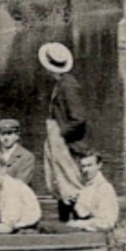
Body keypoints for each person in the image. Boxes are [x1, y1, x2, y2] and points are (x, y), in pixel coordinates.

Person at [38, 41, 88, 221]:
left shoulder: (68, 86)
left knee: (70, 184)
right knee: (59, 184)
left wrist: (60, 134)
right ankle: (65, 222)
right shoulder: (61, 84)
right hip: (57, 140)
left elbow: (79, 118)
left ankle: (78, 223)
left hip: (65, 143)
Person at [58, 148, 119, 232]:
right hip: (80, 230)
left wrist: (77, 224)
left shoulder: (104, 189)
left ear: (99, 165)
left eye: (89, 165)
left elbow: (108, 223)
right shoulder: (84, 186)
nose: (85, 170)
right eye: (83, 166)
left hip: (96, 234)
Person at [0, 118, 36, 185]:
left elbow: (21, 183)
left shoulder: (26, 157)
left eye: (9, 134)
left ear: (17, 136)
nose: (6, 138)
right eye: (2, 134)